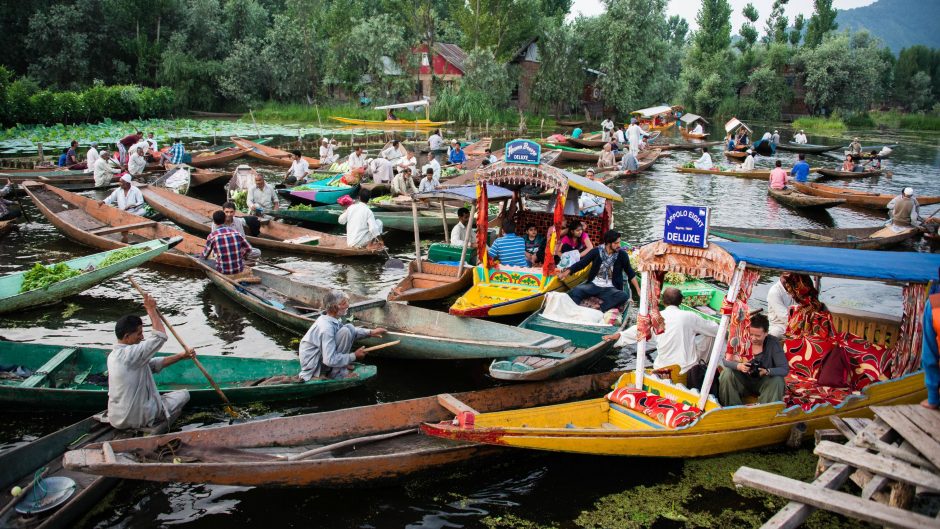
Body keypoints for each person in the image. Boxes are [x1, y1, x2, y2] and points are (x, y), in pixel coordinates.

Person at [106, 294, 193, 430]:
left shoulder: (113, 355)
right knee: (183, 395)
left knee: (160, 396)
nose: (142, 337)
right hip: (137, 418)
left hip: (116, 419)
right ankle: (158, 416)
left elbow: (152, 365)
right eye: (139, 334)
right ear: (127, 336)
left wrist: (181, 356)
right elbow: (160, 336)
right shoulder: (129, 354)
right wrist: (151, 310)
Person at [298, 289, 386, 381]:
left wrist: (370, 332)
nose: (347, 305)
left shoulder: (330, 318)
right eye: (344, 303)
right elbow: (329, 360)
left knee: (349, 328)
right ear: (335, 307)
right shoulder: (326, 328)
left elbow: (353, 332)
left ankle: (339, 366)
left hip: (321, 356)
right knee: (346, 332)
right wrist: (354, 356)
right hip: (313, 366)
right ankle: (336, 374)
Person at [558, 230, 639, 312]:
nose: (619, 245)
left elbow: (630, 273)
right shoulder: (596, 251)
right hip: (594, 285)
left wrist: (638, 290)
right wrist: (566, 272)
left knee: (623, 296)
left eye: (619, 242)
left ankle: (600, 308)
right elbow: (581, 264)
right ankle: (572, 310)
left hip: (610, 288)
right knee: (576, 290)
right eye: (616, 243)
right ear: (608, 243)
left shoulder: (622, 255)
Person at [719, 314, 788, 405]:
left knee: (778, 380)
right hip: (743, 381)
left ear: (766, 333)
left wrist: (767, 371)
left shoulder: (773, 343)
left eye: (758, 336)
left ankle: (765, 413)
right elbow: (725, 361)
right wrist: (739, 366)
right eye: (751, 334)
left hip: (763, 382)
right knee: (727, 373)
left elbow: (784, 369)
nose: (753, 338)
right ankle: (731, 410)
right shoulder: (741, 339)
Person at [201, 210, 252, 274]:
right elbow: (249, 248)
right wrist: (242, 255)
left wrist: (200, 257)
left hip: (223, 271)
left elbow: (204, 255)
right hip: (239, 269)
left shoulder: (212, 236)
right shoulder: (237, 233)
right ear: (225, 219)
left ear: (214, 222)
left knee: (202, 260)